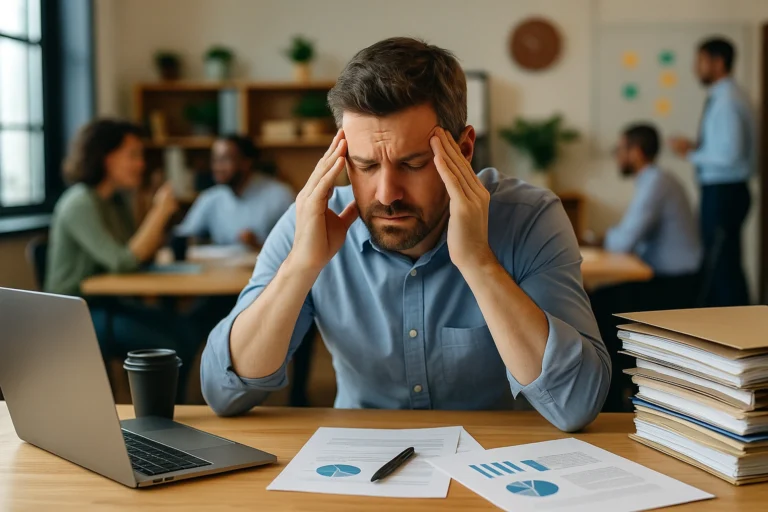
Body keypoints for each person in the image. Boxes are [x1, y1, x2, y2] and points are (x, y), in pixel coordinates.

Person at [201, 38, 610, 432]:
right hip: (361, 465)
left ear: (464, 150)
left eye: (412, 164)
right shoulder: (310, 222)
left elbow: (576, 404)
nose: (386, 195)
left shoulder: (529, 219)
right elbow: (224, 394)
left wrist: (479, 264)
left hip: (496, 466)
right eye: (364, 165)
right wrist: (301, 267)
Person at [46, 119, 200, 385]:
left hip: (109, 304)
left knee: (184, 331)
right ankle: (159, 415)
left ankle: (171, 410)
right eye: (133, 155)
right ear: (105, 156)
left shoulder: (115, 201)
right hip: (74, 315)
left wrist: (152, 209)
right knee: (167, 346)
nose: (141, 163)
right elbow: (124, 262)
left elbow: (140, 255)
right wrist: (159, 211)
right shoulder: (79, 202)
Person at [593, 123, 701, 411]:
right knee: (600, 300)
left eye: (620, 150)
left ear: (636, 152)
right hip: (669, 279)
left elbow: (624, 241)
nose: (617, 156)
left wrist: (601, 238)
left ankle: (613, 401)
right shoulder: (654, 180)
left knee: (598, 307)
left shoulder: (656, 183)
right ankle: (615, 393)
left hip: (675, 287)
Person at [669, 37, 754, 307]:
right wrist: (698, 147)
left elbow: (731, 155)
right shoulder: (725, 96)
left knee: (722, 270)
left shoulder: (728, 100)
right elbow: (726, 147)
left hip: (724, 192)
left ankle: (738, 337)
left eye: (701, 62)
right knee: (723, 266)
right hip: (724, 191)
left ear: (718, 63)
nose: (696, 69)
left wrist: (691, 153)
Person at [175, 135, 295, 250]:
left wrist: (258, 245)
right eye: (215, 160)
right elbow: (183, 235)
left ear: (246, 162)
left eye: (225, 159)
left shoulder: (280, 196)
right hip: (220, 269)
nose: (218, 167)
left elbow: (298, 245)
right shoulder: (211, 197)